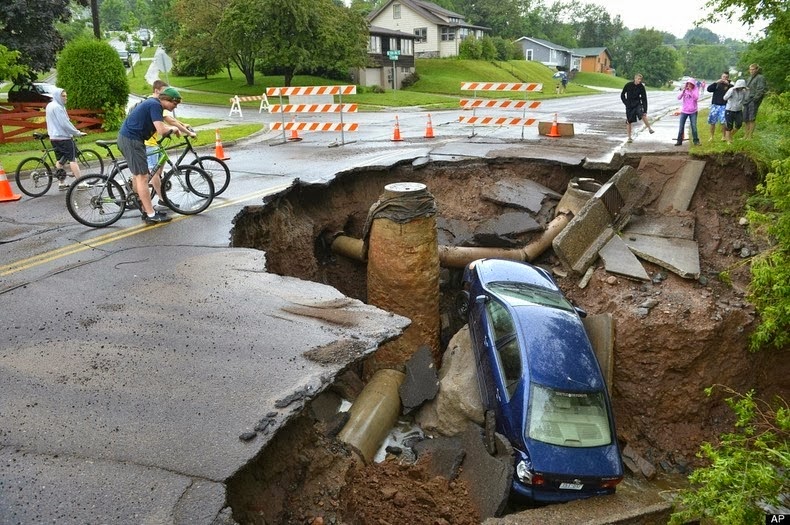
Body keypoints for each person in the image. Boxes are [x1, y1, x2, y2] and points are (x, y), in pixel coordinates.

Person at [117, 87, 183, 224]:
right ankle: (151, 214)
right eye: (174, 104)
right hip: (132, 140)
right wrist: (174, 129)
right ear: (166, 99)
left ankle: (144, 208)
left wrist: (172, 128)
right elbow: (161, 129)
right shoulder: (155, 105)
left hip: (130, 139)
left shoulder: (153, 103)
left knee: (138, 176)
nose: (175, 107)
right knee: (142, 177)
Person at [143, 82, 195, 209]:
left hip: (154, 141)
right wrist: (187, 132)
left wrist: (183, 125)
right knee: (154, 172)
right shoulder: (155, 104)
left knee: (160, 167)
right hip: (148, 143)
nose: (166, 94)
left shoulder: (157, 104)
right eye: (163, 91)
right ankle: (162, 199)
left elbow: (171, 120)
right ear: (157, 91)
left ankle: (156, 186)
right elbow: (170, 121)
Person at [45, 88, 87, 190]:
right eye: (63, 96)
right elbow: (65, 123)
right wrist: (77, 133)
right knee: (72, 159)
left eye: (66, 96)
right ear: (57, 96)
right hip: (63, 137)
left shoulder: (50, 105)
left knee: (60, 160)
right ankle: (80, 183)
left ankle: (62, 183)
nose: (65, 98)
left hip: (54, 137)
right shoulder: (58, 107)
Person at [620, 73, 655, 143]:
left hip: (637, 104)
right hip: (629, 105)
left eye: (640, 79)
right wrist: (626, 102)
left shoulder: (641, 87)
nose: (639, 81)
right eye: (638, 79)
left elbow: (644, 98)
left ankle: (649, 128)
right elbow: (622, 94)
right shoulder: (628, 85)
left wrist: (645, 110)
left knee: (642, 114)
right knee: (629, 121)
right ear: (635, 79)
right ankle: (629, 137)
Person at [743, 63, 766, 139]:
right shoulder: (749, 78)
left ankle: (750, 136)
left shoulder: (760, 77)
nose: (751, 71)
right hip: (747, 99)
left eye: (753, 69)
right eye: (750, 69)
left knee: (751, 118)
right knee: (745, 118)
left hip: (753, 100)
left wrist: (755, 99)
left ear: (757, 70)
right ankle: (745, 135)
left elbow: (761, 90)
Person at [706, 71, 731, 141]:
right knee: (712, 121)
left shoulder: (729, 85)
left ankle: (723, 136)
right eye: (723, 77)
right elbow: (709, 89)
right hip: (715, 105)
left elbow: (733, 90)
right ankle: (711, 136)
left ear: (728, 78)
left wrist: (728, 84)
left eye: (726, 77)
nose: (724, 79)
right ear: (721, 77)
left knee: (724, 122)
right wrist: (716, 82)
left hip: (724, 105)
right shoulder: (717, 84)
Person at [675, 78, 701, 146]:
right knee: (681, 126)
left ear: (693, 85)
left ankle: (696, 141)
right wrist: (683, 91)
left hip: (693, 111)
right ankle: (679, 141)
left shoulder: (695, 90)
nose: (689, 85)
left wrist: (691, 91)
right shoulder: (685, 91)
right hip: (684, 111)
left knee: (693, 126)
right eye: (688, 84)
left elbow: (696, 98)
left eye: (691, 84)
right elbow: (678, 98)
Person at [723, 78, 748, 144]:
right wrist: (730, 93)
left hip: (738, 110)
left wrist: (747, 91)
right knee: (729, 126)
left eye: (742, 87)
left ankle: (729, 136)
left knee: (739, 124)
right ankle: (728, 140)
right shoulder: (731, 90)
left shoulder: (744, 91)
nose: (741, 88)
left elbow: (745, 99)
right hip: (730, 109)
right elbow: (725, 98)